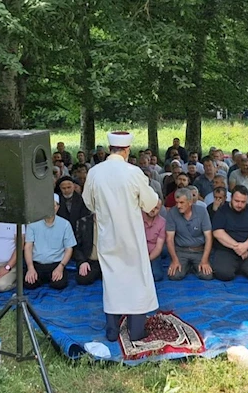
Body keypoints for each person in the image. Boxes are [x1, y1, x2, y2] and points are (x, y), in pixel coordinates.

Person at [82, 131, 161, 342]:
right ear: (127, 150)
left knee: (112, 281)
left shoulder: (95, 173)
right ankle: (136, 331)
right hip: (132, 237)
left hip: (107, 236)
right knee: (137, 280)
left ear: (110, 149)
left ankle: (111, 330)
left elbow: (88, 203)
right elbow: (151, 203)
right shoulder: (133, 172)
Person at [211, 186, 248, 283]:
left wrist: (245, 246)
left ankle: (243, 267)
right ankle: (238, 267)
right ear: (231, 198)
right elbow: (217, 232)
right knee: (223, 274)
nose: (239, 204)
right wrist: (237, 247)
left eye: (243, 202)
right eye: (237, 201)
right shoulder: (222, 211)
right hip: (227, 250)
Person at [24, 194, 76, 290]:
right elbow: (28, 246)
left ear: (58, 207)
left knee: (59, 284)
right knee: (29, 284)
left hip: (56, 264)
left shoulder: (65, 224)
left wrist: (61, 267)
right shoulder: (33, 223)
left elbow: (69, 248)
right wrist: (30, 268)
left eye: (54, 206)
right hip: (37, 264)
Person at [165, 188, 214, 281]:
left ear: (190, 202)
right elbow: (169, 239)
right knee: (174, 276)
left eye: (182, 202)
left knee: (207, 276)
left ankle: (191, 266)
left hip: (199, 250)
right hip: (181, 251)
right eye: (177, 202)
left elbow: (208, 237)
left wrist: (204, 260)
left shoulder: (202, 211)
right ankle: (187, 266)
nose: (178, 206)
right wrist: (175, 260)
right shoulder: (172, 213)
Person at [143, 202, 167, 282]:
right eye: (151, 206)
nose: (153, 210)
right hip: (138, 252)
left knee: (157, 276)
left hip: (153, 252)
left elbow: (158, 247)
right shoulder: (138, 217)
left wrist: (147, 260)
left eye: (156, 208)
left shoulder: (162, 222)